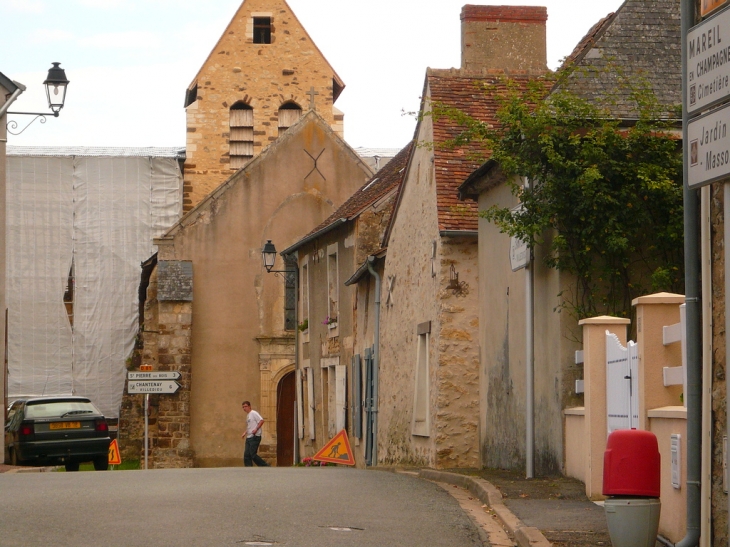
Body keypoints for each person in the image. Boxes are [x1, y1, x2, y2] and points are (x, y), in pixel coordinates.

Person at [241, 401, 270, 467]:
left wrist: (256, 429)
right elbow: (250, 426)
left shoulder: (253, 413)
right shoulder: (248, 415)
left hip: (255, 436)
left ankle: (264, 466)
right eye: (243, 407)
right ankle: (248, 468)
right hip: (249, 437)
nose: (244, 408)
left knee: (252, 454)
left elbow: (261, 420)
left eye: (245, 406)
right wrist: (245, 432)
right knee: (246, 455)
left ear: (249, 406)